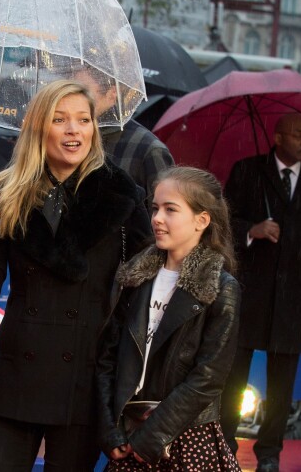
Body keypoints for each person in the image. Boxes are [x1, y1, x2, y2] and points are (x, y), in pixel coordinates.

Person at [0, 80, 151, 471]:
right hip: (17, 377)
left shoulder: (121, 194)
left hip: (83, 379)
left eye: (84, 120)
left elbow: (141, 291)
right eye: (60, 119)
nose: (74, 130)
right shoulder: (4, 190)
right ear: (38, 128)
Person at [96, 166, 241, 470]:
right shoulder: (134, 276)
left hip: (186, 437)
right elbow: (108, 356)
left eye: (170, 210)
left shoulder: (221, 288)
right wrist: (110, 430)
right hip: (128, 436)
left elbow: (208, 379)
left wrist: (152, 436)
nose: (157, 218)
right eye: (155, 208)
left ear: (202, 220)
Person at [220, 113, 301, 472]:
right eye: (297, 134)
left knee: (282, 386)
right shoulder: (247, 171)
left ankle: (270, 454)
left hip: (294, 299)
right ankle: (224, 446)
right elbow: (222, 223)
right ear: (277, 136)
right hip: (249, 293)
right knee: (233, 378)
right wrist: (252, 229)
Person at [73, 66, 174, 203]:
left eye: (83, 91)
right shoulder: (61, 137)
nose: (73, 97)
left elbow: (162, 214)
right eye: (70, 89)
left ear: (111, 93)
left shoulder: (147, 149)